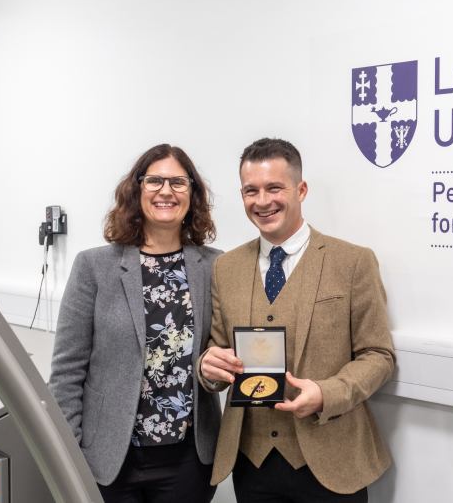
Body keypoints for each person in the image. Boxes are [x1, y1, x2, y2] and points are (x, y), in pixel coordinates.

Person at [198, 138, 395, 503]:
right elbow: (218, 348)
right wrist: (208, 369)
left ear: (301, 190)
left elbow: (378, 355)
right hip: (250, 463)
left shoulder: (352, 262)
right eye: (250, 191)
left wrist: (326, 394)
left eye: (275, 187)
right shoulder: (226, 268)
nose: (262, 201)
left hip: (333, 461)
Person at [49, 144, 221, 503]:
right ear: (136, 189)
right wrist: (67, 453)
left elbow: (219, 356)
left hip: (189, 460)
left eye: (178, 182)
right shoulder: (94, 267)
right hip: (110, 459)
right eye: (154, 180)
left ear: (193, 193)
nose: (166, 191)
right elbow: (67, 371)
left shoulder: (215, 267)